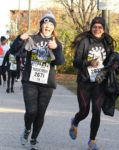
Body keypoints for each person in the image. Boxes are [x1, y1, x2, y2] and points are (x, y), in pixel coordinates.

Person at [10, 12, 65, 150]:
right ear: (41, 25)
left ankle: (34, 138)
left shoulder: (56, 43)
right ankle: (27, 129)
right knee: (31, 111)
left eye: (51, 24)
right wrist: (19, 39)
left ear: (53, 27)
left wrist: (56, 48)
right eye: (45, 24)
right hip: (30, 81)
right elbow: (14, 52)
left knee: (40, 113)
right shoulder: (32, 39)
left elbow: (60, 61)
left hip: (47, 84)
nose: (47, 26)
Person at [69, 17, 117, 150]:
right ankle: (75, 122)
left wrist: (115, 66)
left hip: (99, 82)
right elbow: (75, 62)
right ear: (91, 28)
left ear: (103, 29)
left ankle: (92, 141)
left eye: (100, 27)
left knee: (96, 110)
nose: (97, 29)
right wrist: (88, 63)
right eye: (94, 27)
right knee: (84, 112)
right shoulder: (84, 42)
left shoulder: (107, 43)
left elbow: (111, 60)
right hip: (84, 81)